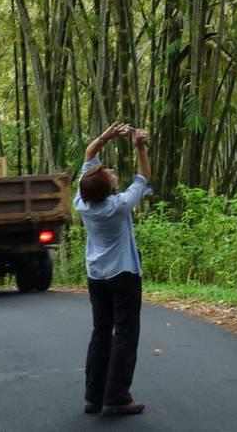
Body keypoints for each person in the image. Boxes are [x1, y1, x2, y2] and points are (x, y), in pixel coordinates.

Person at [76, 122, 152, 417]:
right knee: (125, 333)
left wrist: (104, 138)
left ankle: (94, 397)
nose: (110, 171)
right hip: (123, 274)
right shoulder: (118, 205)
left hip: (97, 276)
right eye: (109, 173)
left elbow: (88, 154)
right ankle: (117, 397)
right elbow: (144, 177)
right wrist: (140, 147)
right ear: (107, 187)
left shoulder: (82, 202)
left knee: (101, 331)